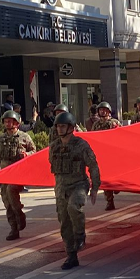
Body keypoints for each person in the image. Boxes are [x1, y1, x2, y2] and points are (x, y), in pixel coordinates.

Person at [49, 112, 101, 269]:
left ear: (71, 128)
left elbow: (93, 165)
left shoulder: (81, 145)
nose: (59, 129)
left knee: (74, 208)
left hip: (78, 184)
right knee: (64, 222)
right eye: (58, 126)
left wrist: (95, 187)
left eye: (63, 126)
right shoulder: (54, 146)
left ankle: (80, 235)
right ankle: (71, 255)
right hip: (61, 188)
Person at [0, 110, 37, 240]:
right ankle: (14, 228)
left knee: (11, 190)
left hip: (18, 173)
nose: (7, 124)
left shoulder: (24, 137)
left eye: (10, 121)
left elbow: (34, 151)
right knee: (6, 202)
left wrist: (27, 154)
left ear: (17, 123)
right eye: (6, 121)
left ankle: (19, 213)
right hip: (5, 173)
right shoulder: (1, 139)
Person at [90, 102, 122, 210]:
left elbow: (121, 136)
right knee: (105, 178)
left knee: (116, 175)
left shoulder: (114, 123)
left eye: (104, 110)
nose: (102, 112)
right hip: (102, 156)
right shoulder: (96, 125)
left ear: (108, 111)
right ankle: (109, 201)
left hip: (113, 155)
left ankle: (117, 186)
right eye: (100, 110)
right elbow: (92, 138)